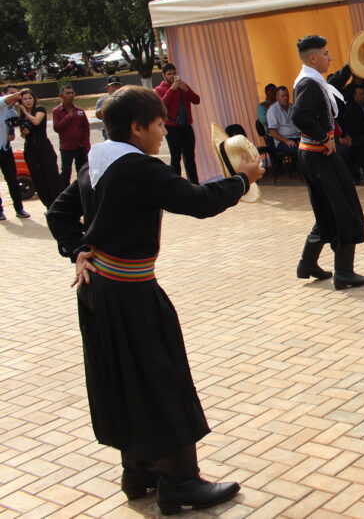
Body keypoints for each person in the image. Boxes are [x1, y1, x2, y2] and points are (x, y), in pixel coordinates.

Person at [45, 85, 262, 514]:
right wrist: (243, 179)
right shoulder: (138, 168)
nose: (164, 132)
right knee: (163, 379)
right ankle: (180, 482)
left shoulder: (97, 162)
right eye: (160, 124)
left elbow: (58, 212)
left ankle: (139, 472)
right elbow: (199, 202)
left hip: (100, 291)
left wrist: (77, 250)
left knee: (127, 379)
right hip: (131, 292)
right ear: (137, 127)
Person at [291, 35, 364, 289]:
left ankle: (308, 263)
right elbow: (299, 115)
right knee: (345, 209)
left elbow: (333, 85)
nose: (330, 57)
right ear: (313, 58)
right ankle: (344, 273)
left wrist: (352, 66)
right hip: (320, 155)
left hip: (314, 155)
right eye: (326, 54)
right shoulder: (309, 84)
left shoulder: (313, 80)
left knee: (327, 210)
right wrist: (322, 137)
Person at [154, 64, 201, 184]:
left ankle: (194, 184)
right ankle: (176, 185)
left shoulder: (183, 86)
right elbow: (161, 106)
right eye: (169, 74)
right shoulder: (159, 89)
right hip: (172, 127)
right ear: (164, 75)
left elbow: (196, 100)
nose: (172, 76)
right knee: (176, 157)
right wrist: (171, 90)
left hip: (186, 126)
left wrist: (187, 90)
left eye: (173, 73)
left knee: (190, 157)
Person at [15, 89, 62, 207]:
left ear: (34, 98)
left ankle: (59, 204)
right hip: (30, 149)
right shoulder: (22, 116)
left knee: (51, 177)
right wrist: (24, 131)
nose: (28, 101)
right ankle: (48, 205)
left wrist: (25, 112)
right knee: (38, 179)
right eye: (24, 99)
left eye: (30, 98)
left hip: (43, 147)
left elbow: (36, 121)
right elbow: (23, 134)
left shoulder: (40, 109)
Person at [52, 84, 91, 189]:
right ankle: (64, 191)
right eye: (67, 93)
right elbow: (56, 128)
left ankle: (82, 191)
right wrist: (67, 118)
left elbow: (86, 127)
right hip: (66, 147)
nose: (70, 96)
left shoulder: (80, 111)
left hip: (80, 146)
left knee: (83, 171)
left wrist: (86, 144)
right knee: (66, 172)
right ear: (61, 95)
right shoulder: (56, 111)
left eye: (72, 93)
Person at [0, 90, 30, 220]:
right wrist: (20, 93)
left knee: (12, 179)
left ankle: (19, 208)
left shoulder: (10, 109)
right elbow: (7, 99)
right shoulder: (1, 103)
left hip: (5, 148)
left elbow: (11, 123)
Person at [266, 86, 301, 160]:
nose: (286, 98)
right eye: (283, 96)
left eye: (287, 95)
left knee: (311, 146)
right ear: (277, 97)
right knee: (297, 151)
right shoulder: (272, 110)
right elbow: (272, 132)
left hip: (297, 137)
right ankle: (302, 170)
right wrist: (286, 140)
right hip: (283, 141)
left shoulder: (292, 107)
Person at [94, 75, 123, 141]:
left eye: (118, 85)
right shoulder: (102, 100)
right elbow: (98, 115)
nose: (116, 88)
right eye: (113, 86)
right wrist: (109, 102)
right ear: (108, 88)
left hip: (124, 132)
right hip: (110, 133)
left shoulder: (125, 99)